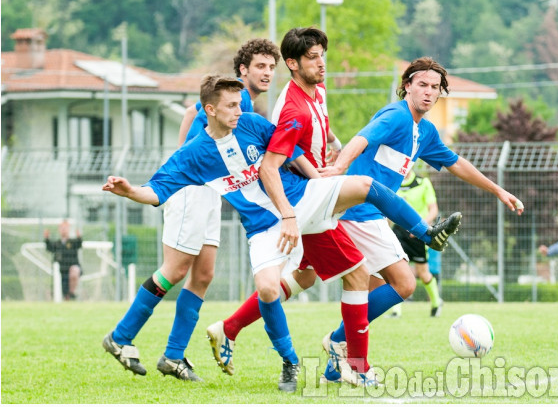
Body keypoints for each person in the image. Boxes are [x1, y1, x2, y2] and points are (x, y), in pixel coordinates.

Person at [102, 74, 447, 392]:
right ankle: (290, 362)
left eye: (240, 103)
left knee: (365, 190)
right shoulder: (193, 155)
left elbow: (291, 153)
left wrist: (323, 183)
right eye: (232, 105)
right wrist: (130, 190)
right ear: (209, 110)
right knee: (269, 288)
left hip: (300, 201)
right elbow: (156, 191)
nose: (241, 110)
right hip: (264, 227)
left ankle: (426, 234)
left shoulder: (253, 124)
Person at [206, 30, 462, 387]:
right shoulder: (291, 108)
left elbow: (317, 136)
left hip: (311, 199)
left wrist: (332, 150)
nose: (321, 62)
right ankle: (351, 356)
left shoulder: (317, 91)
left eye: (322, 54)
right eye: (313, 57)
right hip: (299, 202)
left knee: (310, 277)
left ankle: (233, 329)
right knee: (369, 212)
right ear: (293, 65)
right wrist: (325, 176)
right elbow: (281, 155)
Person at [317, 56, 525, 383]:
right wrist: (340, 167)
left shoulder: (424, 131)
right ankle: (343, 348)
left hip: (371, 215)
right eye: (422, 85)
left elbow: (456, 163)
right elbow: (362, 138)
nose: (429, 92)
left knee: (374, 289)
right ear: (407, 86)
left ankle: (342, 355)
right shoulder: (396, 115)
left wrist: (498, 190)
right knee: (403, 283)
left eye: (435, 88)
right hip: (357, 212)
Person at [102, 39, 281, 382]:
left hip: (211, 191)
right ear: (243, 70)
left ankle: (172, 356)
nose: (267, 73)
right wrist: (183, 164)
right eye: (260, 66)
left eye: (271, 67)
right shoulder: (235, 98)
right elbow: (197, 130)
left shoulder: (238, 104)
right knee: (175, 270)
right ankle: (121, 337)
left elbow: (189, 113)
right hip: (193, 190)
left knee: (203, 275)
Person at [389, 170, 443, 318]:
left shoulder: (423, 182)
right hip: (399, 232)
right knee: (397, 271)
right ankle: (396, 310)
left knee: (423, 273)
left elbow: (433, 209)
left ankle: (436, 303)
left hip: (418, 233)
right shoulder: (394, 183)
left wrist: (421, 226)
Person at [44, 219, 82, 301]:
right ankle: (66, 297)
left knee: (75, 270)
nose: (63, 229)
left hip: (71, 269)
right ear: (59, 229)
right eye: (62, 228)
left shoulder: (73, 242)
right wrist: (46, 238)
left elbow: (79, 244)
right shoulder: (57, 244)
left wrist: (79, 237)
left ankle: (71, 293)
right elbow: (49, 248)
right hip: (61, 271)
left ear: (69, 229)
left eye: (65, 227)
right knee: (61, 293)